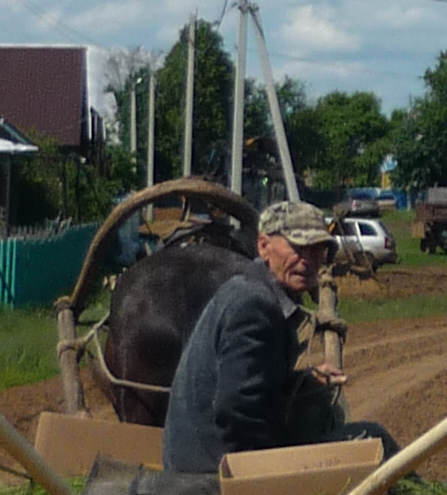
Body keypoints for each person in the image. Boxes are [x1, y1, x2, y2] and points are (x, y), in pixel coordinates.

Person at [161, 201, 392, 475]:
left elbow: (249, 387)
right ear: (263, 246)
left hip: (202, 460)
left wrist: (300, 383)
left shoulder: (248, 290)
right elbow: (236, 408)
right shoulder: (253, 305)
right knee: (371, 438)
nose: (308, 260)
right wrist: (274, 471)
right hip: (211, 474)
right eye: (297, 248)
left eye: (317, 249)